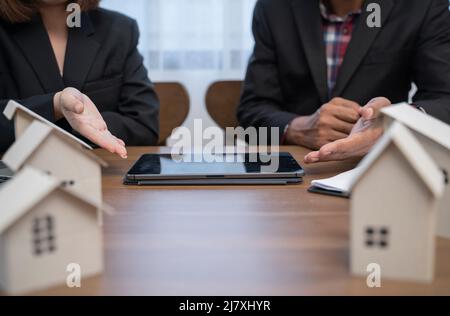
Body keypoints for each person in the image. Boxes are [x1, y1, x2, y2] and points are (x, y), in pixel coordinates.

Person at [238, 0, 450, 163]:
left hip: (381, 168)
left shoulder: (423, 5)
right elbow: (252, 108)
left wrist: (394, 122)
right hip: (298, 172)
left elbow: (445, 98)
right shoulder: (274, 7)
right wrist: (299, 128)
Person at [0, 0, 160, 158]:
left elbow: (143, 127)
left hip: (101, 176)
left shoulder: (119, 29)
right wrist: (56, 106)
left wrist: (73, 121)